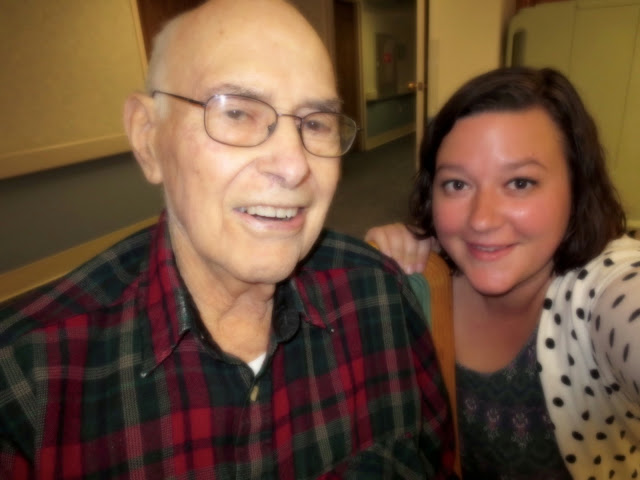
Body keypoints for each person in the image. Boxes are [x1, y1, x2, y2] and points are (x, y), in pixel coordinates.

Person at [0, 1, 455, 478]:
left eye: (316, 123)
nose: (294, 166)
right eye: (237, 112)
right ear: (148, 138)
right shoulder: (25, 384)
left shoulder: (380, 295)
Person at [366, 66, 640, 479]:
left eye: (520, 183)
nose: (482, 220)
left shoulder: (606, 289)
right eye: (457, 185)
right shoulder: (431, 281)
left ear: (577, 187)